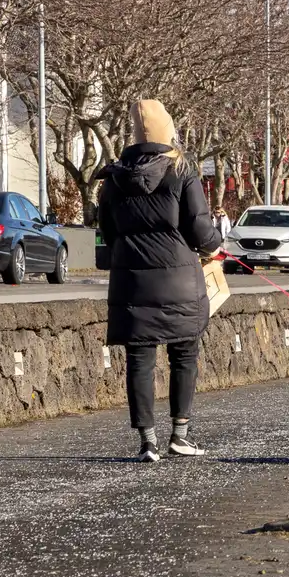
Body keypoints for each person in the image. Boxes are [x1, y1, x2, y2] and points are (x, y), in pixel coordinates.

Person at [97, 100, 222, 462]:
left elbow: (107, 230)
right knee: (184, 353)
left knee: (140, 358)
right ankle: (180, 435)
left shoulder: (115, 178)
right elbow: (199, 226)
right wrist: (215, 247)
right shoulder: (181, 170)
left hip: (132, 281)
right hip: (180, 279)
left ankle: (147, 442)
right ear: (169, 131)